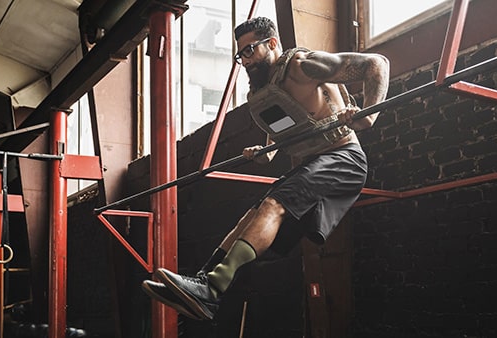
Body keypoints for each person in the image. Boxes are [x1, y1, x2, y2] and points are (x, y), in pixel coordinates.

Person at [142, 16, 389, 321]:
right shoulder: (266, 92)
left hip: (343, 157)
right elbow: (283, 136)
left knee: (274, 205)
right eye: (240, 54)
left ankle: (214, 286)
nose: (245, 61)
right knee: (251, 216)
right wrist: (263, 153)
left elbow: (376, 64)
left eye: (250, 51)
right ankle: (203, 284)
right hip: (315, 162)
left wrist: (368, 116)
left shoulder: (301, 66)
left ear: (272, 44)